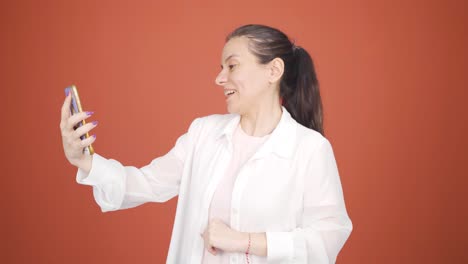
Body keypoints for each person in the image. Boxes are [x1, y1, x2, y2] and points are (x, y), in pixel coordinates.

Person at [60, 24, 353, 264]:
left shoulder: (309, 149)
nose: (219, 78)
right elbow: (143, 183)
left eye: (232, 66)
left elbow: (328, 237)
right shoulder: (203, 133)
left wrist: (244, 241)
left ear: (273, 71)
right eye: (221, 67)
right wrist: (84, 161)